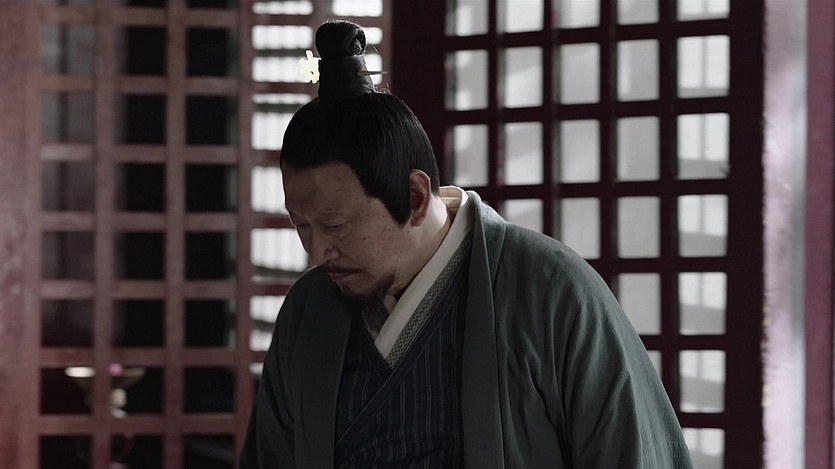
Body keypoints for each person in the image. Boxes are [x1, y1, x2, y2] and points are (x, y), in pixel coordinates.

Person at [240, 20, 693, 469]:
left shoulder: (551, 293)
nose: (317, 252)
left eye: (335, 225)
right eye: (301, 225)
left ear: (415, 197)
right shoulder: (310, 310)